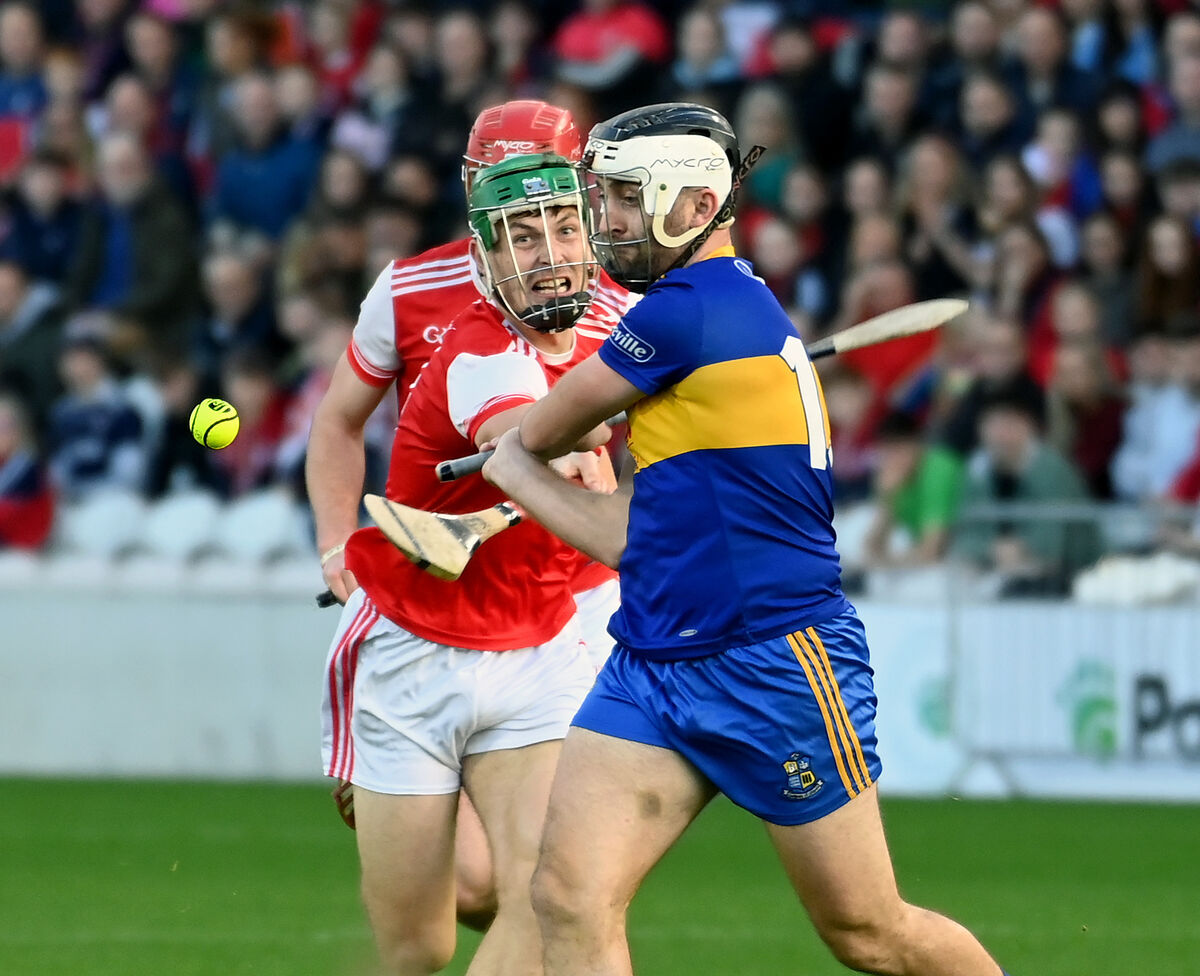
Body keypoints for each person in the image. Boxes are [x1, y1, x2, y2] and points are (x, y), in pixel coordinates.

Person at [479, 102, 1010, 976]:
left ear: (691, 206)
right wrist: (521, 473)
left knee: (869, 933)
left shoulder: (682, 315)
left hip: (774, 661)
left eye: (619, 198)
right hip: (654, 659)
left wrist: (515, 461)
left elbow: (540, 428)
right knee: (567, 898)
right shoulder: (709, 317)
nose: (602, 222)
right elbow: (629, 539)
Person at [305, 101, 634, 935]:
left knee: (553, 894)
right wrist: (337, 541)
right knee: (454, 911)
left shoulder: (627, 303)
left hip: (569, 604)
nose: (541, 241)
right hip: (431, 600)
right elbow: (340, 423)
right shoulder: (418, 292)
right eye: (509, 207)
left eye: (557, 213)